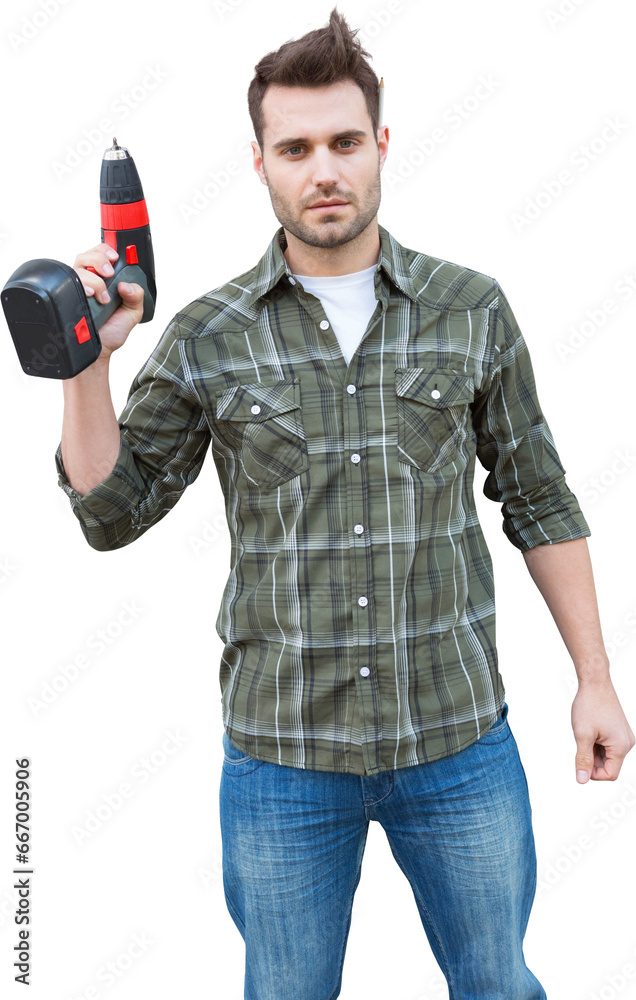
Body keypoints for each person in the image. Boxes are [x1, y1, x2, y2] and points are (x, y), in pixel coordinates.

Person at [56, 7, 634, 999]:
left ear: (380, 146)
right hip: (283, 760)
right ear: (260, 162)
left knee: (498, 982)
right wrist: (87, 364)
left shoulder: (471, 308)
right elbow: (112, 513)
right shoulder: (208, 334)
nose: (323, 168)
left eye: (342, 142)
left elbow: (539, 498)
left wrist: (595, 677)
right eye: (296, 147)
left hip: (458, 741)